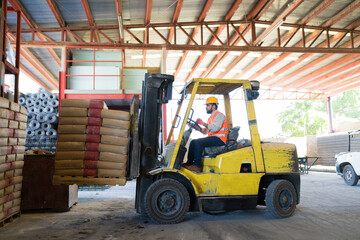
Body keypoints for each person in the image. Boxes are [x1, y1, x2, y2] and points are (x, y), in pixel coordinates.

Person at [184, 97, 228, 172]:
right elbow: (205, 132)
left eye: (208, 105)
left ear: (213, 106)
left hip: (220, 139)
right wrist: (196, 127)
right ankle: (189, 163)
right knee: (193, 142)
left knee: (198, 142)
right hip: (213, 138)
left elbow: (215, 128)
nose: (206, 107)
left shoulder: (219, 115)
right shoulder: (210, 118)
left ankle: (197, 166)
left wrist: (203, 123)